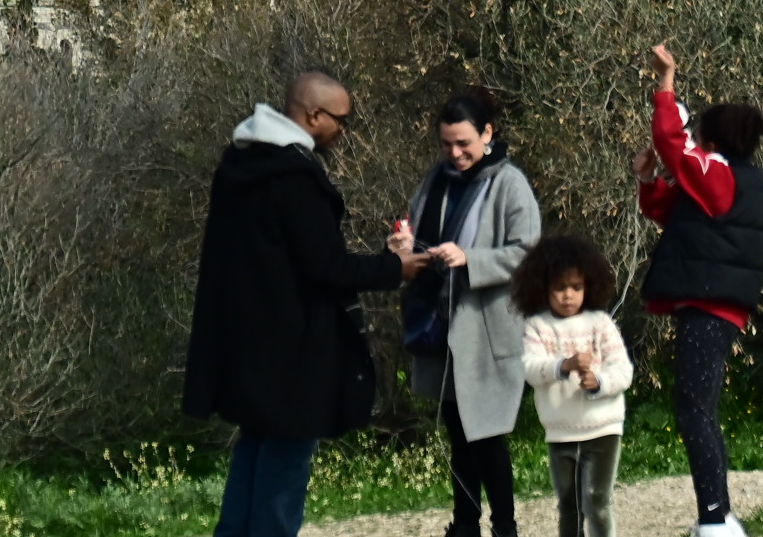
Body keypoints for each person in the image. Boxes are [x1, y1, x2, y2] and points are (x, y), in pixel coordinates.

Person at [185, 70, 420, 537]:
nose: (343, 131)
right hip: (292, 354)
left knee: (253, 451)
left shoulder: (241, 163)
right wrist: (396, 267)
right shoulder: (294, 177)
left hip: (247, 345)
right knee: (283, 473)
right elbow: (326, 267)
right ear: (313, 115)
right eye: (340, 120)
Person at [633, 43, 763, 537]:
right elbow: (667, 210)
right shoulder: (727, 181)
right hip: (711, 305)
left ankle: (715, 520)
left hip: (710, 306)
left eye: (699, 137)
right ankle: (719, 515)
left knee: (694, 412)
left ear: (714, 139)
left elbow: (672, 142)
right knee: (699, 410)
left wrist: (666, 82)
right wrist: (648, 177)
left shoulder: (721, 174)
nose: (694, 142)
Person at [390, 91, 541, 537]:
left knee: (487, 435)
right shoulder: (434, 179)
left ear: (487, 134)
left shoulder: (510, 183)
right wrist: (402, 246)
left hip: (488, 332)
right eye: (445, 144)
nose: (454, 153)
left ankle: (505, 527)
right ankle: (465, 525)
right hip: (442, 325)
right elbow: (416, 229)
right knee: (458, 431)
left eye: (463, 143)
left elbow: (529, 253)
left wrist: (471, 259)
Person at [516, 234, 633, 537]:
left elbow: (623, 371)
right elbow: (530, 369)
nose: (568, 295)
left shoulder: (601, 324)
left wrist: (599, 382)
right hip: (560, 431)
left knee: (597, 502)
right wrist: (563, 365)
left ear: (588, 286)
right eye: (559, 287)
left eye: (576, 287)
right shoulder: (536, 327)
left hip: (603, 428)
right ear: (543, 287)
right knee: (568, 505)